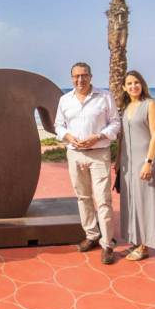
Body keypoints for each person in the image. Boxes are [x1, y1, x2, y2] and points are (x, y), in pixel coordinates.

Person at [54, 62, 121, 264]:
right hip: (75, 154)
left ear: (91, 76)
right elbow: (58, 125)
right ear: (71, 78)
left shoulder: (105, 97)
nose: (80, 80)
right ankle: (92, 235)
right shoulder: (65, 100)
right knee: (83, 197)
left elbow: (115, 123)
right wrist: (67, 136)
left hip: (99, 153)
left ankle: (107, 243)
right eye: (76, 76)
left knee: (103, 200)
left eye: (84, 75)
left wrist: (98, 136)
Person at [116, 70, 155, 261]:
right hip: (127, 162)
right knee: (130, 200)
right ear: (124, 88)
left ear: (142, 84)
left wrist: (149, 163)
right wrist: (118, 161)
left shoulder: (149, 104)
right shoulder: (126, 107)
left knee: (145, 202)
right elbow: (122, 138)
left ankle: (145, 245)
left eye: (137, 82)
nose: (133, 86)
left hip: (144, 161)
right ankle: (135, 240)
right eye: (129, 83)